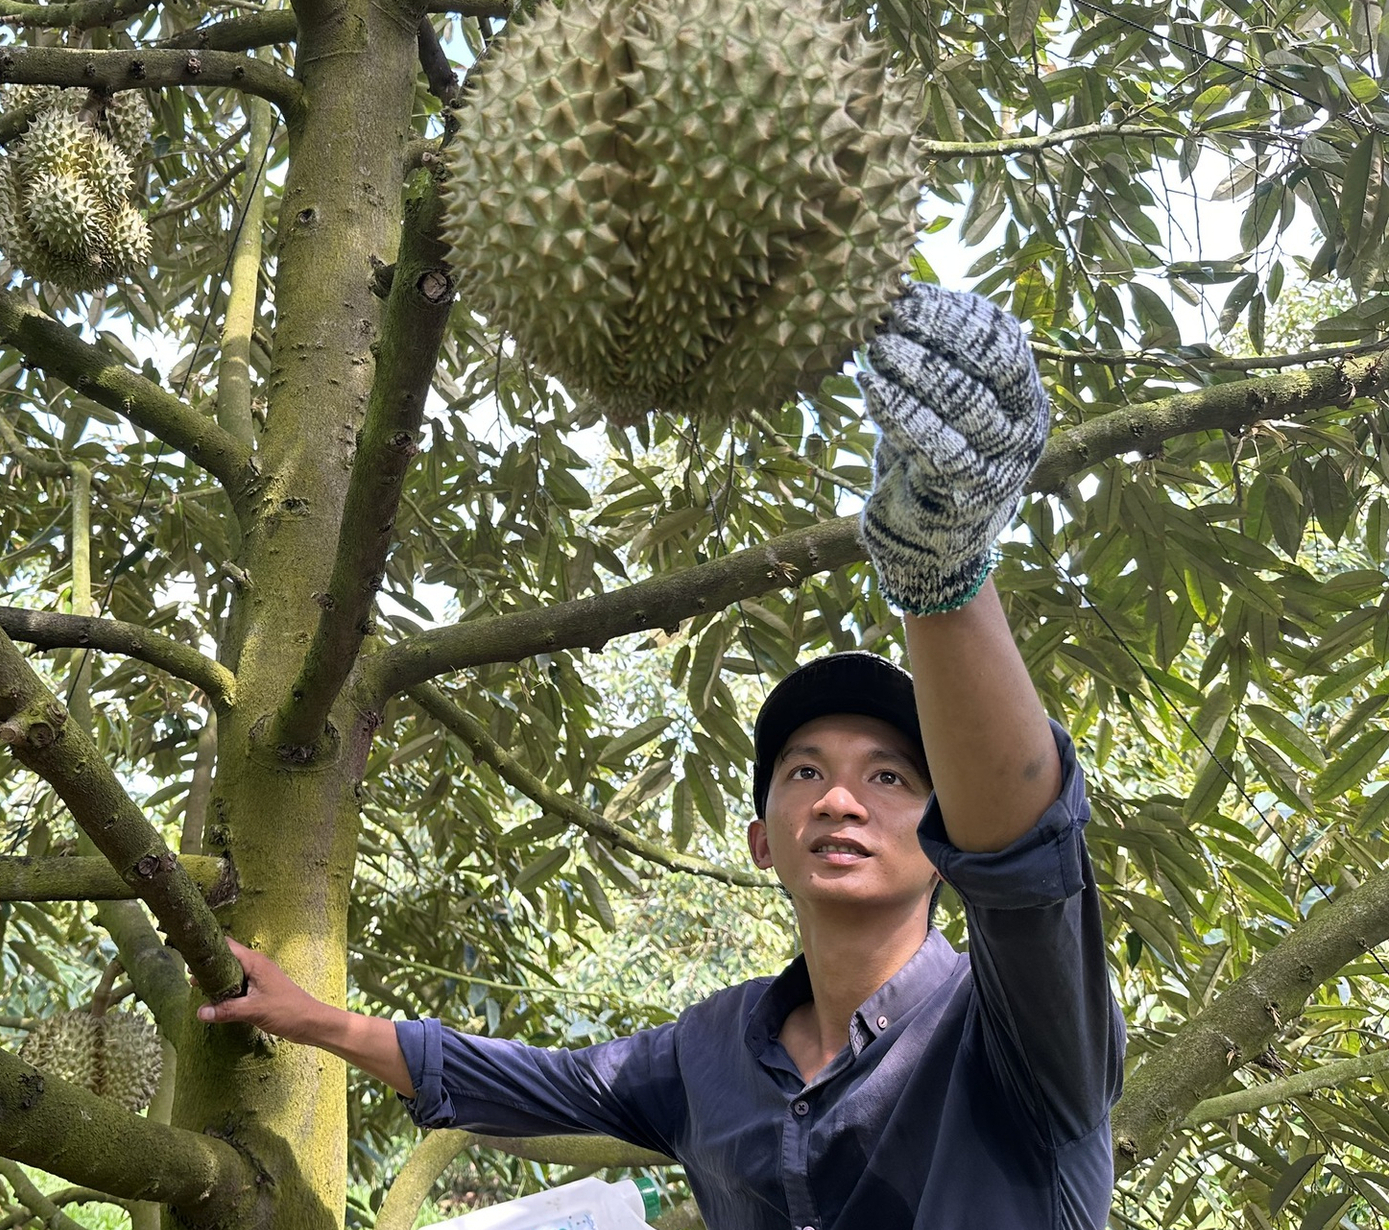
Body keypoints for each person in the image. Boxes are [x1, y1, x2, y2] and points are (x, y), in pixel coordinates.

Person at [198, 285, 1127, 1230]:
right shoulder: (712, 1051)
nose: (841, 799)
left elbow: (1025, 863)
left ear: (942, 834)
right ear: (764, 842)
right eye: (806, 772)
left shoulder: (1020, 1029)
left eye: (888, 777)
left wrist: (942, 571)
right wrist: (311, 1019)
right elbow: (542, 1083)